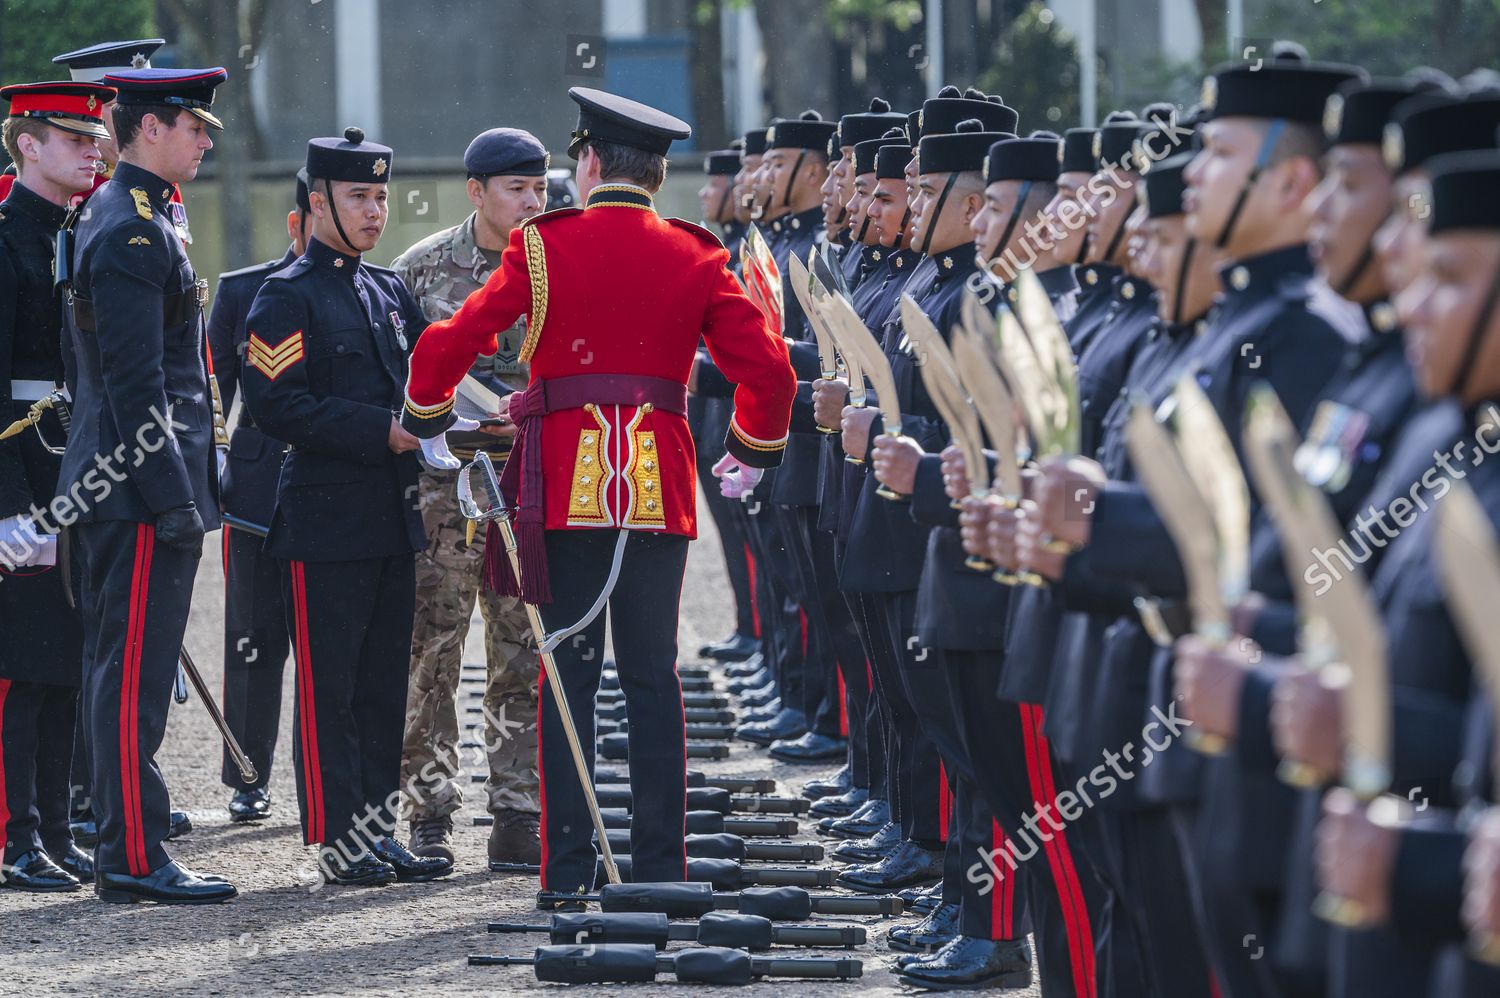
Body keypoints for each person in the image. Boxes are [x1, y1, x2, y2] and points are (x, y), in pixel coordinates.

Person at [401, 87, 796, 901]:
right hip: (659, 485)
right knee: (654, 676)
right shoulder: (695, 250)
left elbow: (454, 336)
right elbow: (769, 367)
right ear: (655, 173)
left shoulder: (543, 246)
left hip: (566, 483)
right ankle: (659, 865)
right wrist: (753, 451)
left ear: (586, 163)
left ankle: (567, 870)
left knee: (567, 675)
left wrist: (426, 411)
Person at [239, 128, 451, 888]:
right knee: (330, 685)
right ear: (318, 199)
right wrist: (380, 430)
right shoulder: (285, 296)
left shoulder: (387, 288)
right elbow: (274, 404)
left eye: (381, 196)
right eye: (359, 196)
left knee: (380, 683)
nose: (374, 211)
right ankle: (338, 839)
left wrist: (484, 409)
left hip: (392, 514)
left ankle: (375, 828)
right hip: (325, 519)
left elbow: (432, 370)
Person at [57, 65, 235, 904]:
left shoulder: (140, 215)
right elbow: (136, 383)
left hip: (130, 483)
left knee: (120, 669)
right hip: (132, 488)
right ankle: (131, 854)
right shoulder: (131, 229)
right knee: (129, 675)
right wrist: (171, 494)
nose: (206, 140)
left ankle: (127, 845)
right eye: (195, 126)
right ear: (151, 129)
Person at [392, 126, 547, 868]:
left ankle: (518, 811)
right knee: (435, 651)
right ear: (476, 192)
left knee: (522, 647)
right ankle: (430, 810)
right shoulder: (421, 271)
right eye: (516, 188)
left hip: (527, 483)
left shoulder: (560, 267)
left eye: (540, 188)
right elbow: (397, 381)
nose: (532, 202)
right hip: (445, 487)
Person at [0, 79, 113, 893]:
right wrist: (6, 505)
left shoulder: (82, 233)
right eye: (73, 136)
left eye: (96, 136)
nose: (93, 147)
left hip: (78, 466)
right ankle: (15, 838)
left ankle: (57, 827)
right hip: (22, 470)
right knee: (23, 665)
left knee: (70, 658)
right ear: (26, 144)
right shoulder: (6, 239)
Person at [207, 169, 314, 823]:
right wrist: (216, 468)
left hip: (336, 492)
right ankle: (248, 773)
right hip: (255, 494)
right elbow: (210, 396)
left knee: (330, 644)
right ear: (297, 221)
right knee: (252, 638)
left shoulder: (373, 291)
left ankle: (326, 785)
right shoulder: (242, 291)